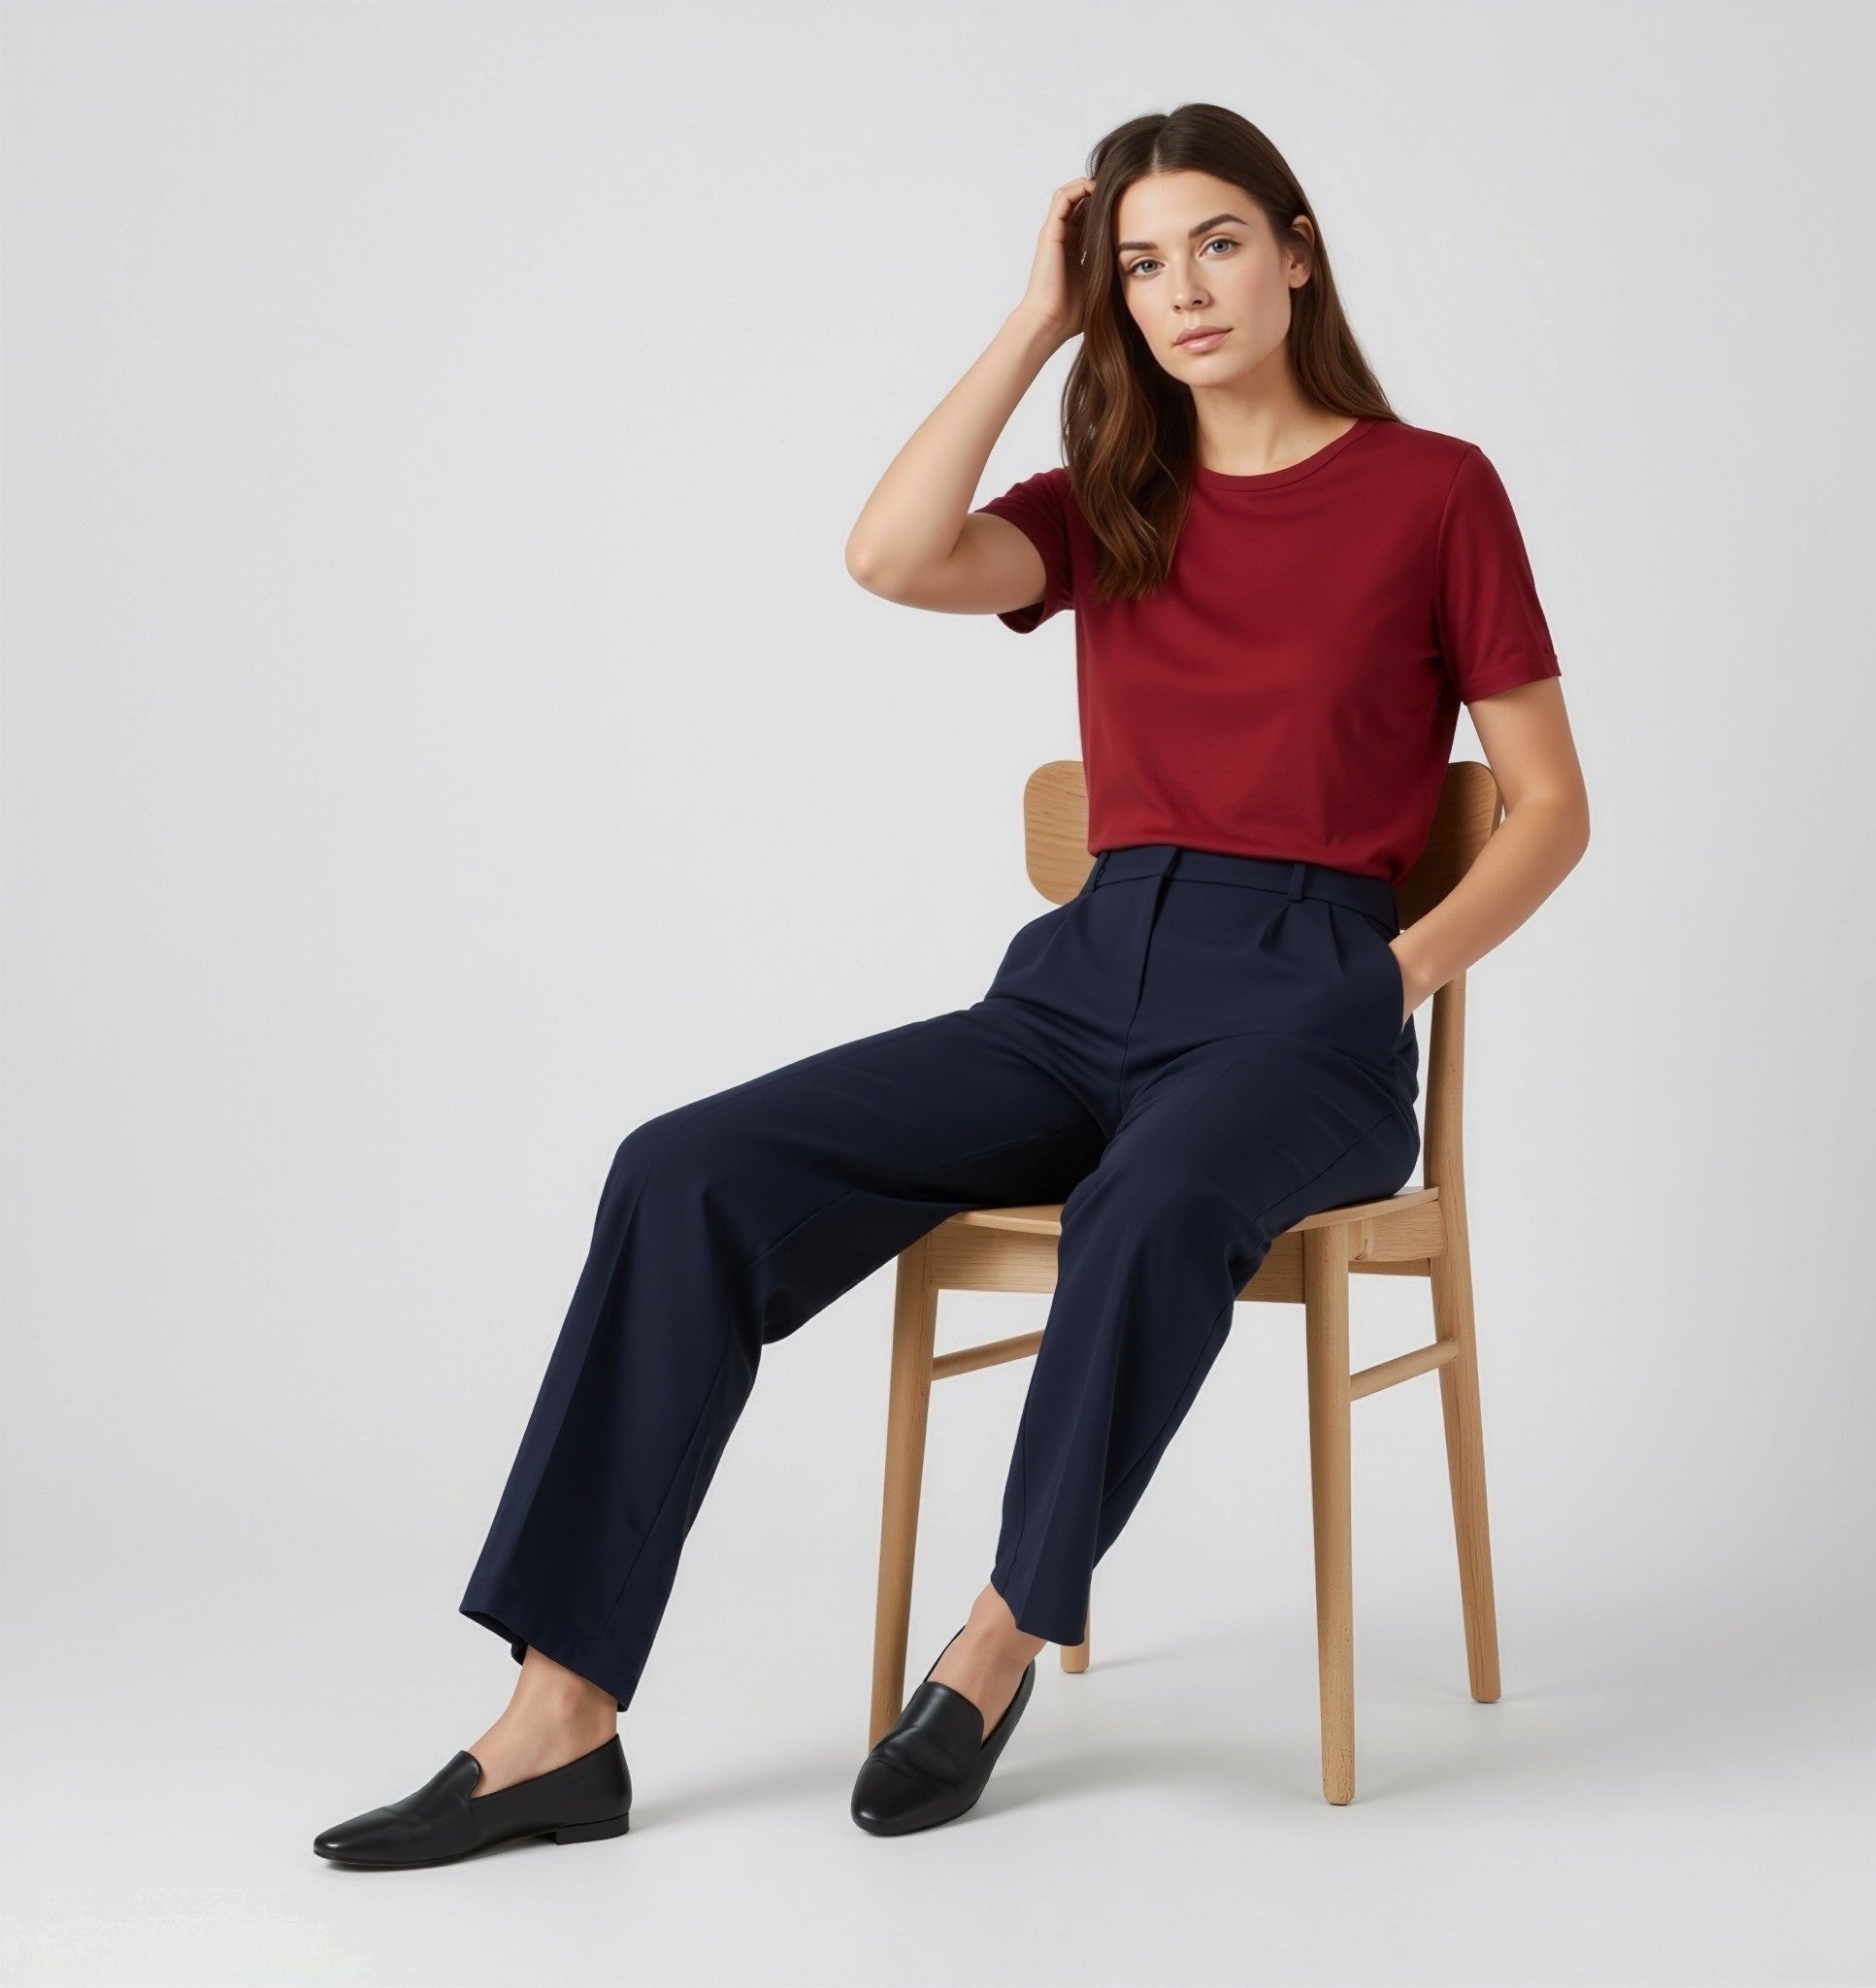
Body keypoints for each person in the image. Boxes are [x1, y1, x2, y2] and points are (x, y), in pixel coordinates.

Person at [313, 99, 1589, 1868]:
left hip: (1309, 1011)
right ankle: (560, 1717)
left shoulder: (1433, 490)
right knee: (683, 1170)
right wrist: (1032, 323)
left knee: (1152, 1205)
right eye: (1140, 265)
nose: (1184, 290)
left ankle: (993, 1646)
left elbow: (1549, 807)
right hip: (1078, 992)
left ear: (1297, 252)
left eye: (1218, 244)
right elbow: (892, 554)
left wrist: (1391, 984)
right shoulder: (1118, 500)